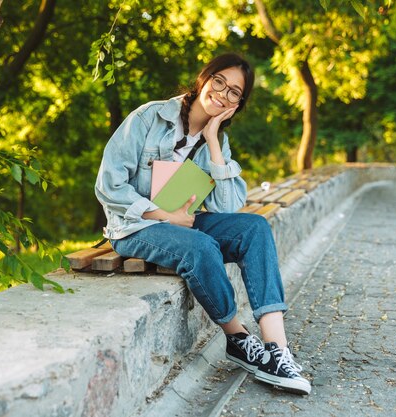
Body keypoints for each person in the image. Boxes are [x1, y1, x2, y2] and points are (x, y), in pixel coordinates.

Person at [95, 52, 311, 395]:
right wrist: (167, 217)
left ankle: (278, 350)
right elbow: (109, 186)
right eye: (219, 82)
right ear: (203, 80)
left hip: (184, 223)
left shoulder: (217, 139)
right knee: (201, 245)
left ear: (239, 103)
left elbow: (227, 205)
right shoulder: (150, 117)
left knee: (254, 228)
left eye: (234, 92)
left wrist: (212, 141)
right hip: (134, 227)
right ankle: (237, 338)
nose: (222, 93)